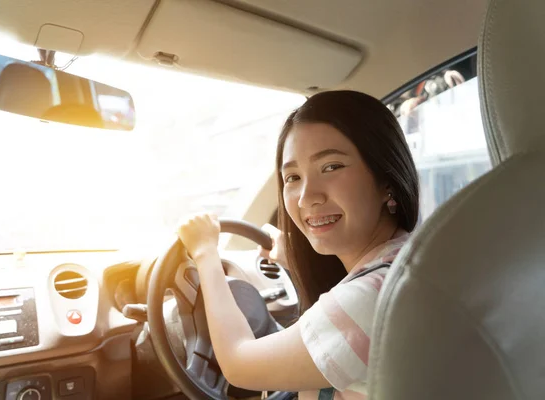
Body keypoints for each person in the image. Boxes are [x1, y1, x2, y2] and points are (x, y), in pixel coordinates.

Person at [178, 90, 419, 399]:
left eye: (331, 167)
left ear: (387, 179)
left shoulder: (370, 299)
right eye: (292, 177)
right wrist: (293, 259)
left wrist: (205, 253)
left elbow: (238, 362)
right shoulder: (408, 260)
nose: (307, 197)